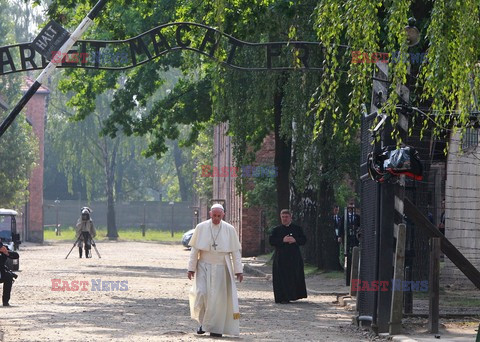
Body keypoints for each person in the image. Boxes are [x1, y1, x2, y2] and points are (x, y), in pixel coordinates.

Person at [187, 203, 243, 337]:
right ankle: (202, 323)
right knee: (202, 293)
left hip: (222, 267)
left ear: (223, 215)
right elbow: (195, 250)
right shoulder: (201, 227)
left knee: (218, 299)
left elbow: (235, 252)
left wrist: (238, 270)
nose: (216, 218)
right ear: (210, 214)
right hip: (203, 265)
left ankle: (216, 328)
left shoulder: (229, 229)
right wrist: (191, 268)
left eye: (219, 216)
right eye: (214, 215)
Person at [269, 209, 307, 304]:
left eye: (286, 217)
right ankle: (282, 297)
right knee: (281, 277)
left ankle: (293, 295)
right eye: (283, 217)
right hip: (281, 257)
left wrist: (295, 240)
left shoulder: (297, 228)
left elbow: (304, 240)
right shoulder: (276, 230)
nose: (284, 219)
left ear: (290, 217)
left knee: (293, 276)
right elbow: (271, 241)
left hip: (294, 257)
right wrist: (283, 240)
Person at [339, 201, 360, 286]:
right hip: (347, 238)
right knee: (347, 254)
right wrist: (340, 236)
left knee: (355, 252)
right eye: (350, 206)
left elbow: (359, 226)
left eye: (352, 206)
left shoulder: (357, 217)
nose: (351, 208)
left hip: (354, 238)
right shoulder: (344, 217)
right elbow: (341, 227)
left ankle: (355, 274)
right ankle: (347, 276)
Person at [333, 205, 343, 270]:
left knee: (337, 250)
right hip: (332, 235)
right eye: (335, 210)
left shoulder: (340, 218)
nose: (336, 211)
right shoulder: (330, 217)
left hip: (337, 235)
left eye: (337, 210)